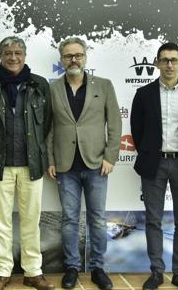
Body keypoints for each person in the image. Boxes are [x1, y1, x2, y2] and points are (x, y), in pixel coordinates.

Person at [0, 36, 54, 290]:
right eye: (8, 52)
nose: (13, 57)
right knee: (1, 221)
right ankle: (3, 271)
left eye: (18, 52)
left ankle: (33, 272)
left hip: (32, 164)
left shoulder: (39, 85)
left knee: (31, 219)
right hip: (0, 165)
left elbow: (47, 122)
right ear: (0, 56)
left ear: (25, 55)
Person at [130, 42, 178, 290]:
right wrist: (152, 152)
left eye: (174, 60)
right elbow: (137, 130)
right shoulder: (143, 94)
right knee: (153, 220)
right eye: (164, 60)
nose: (169, 65)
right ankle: (156, 272)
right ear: (157, 63)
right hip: (154, 163)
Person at [46, 37, 122, 290]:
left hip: (96, 164)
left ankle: (98, 267)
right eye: (68, 56)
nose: (73, 60)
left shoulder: (104, 85)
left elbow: (115, 123)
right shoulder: (53, 88)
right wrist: (51, 159)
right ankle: (72, 267)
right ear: (61, 60)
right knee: (69, 219)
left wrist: (111, 156)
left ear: (85, 57)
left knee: (98, 219)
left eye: (78, 55)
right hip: (66, 166)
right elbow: (48, 128)